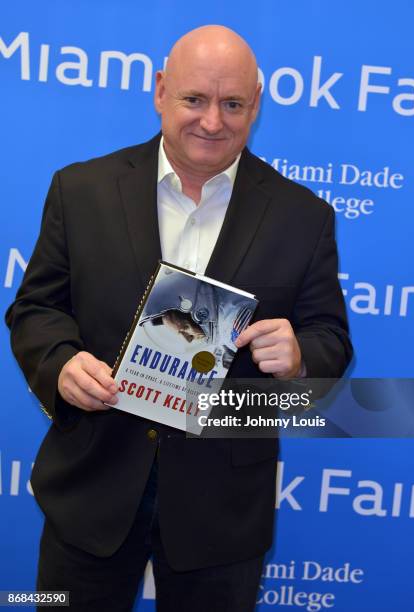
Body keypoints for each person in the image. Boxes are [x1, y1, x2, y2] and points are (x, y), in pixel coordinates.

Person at [6, 25, 353, 611]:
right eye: (195, 99)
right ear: (161, 90)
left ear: (256, 106)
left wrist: (300, 357)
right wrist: (60, 364)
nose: (212, 122)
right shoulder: (81, 190)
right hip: (93, 488)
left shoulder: (304, 217)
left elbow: (330, 339)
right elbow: (36, 309)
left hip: (222, 510)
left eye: (232, 104)